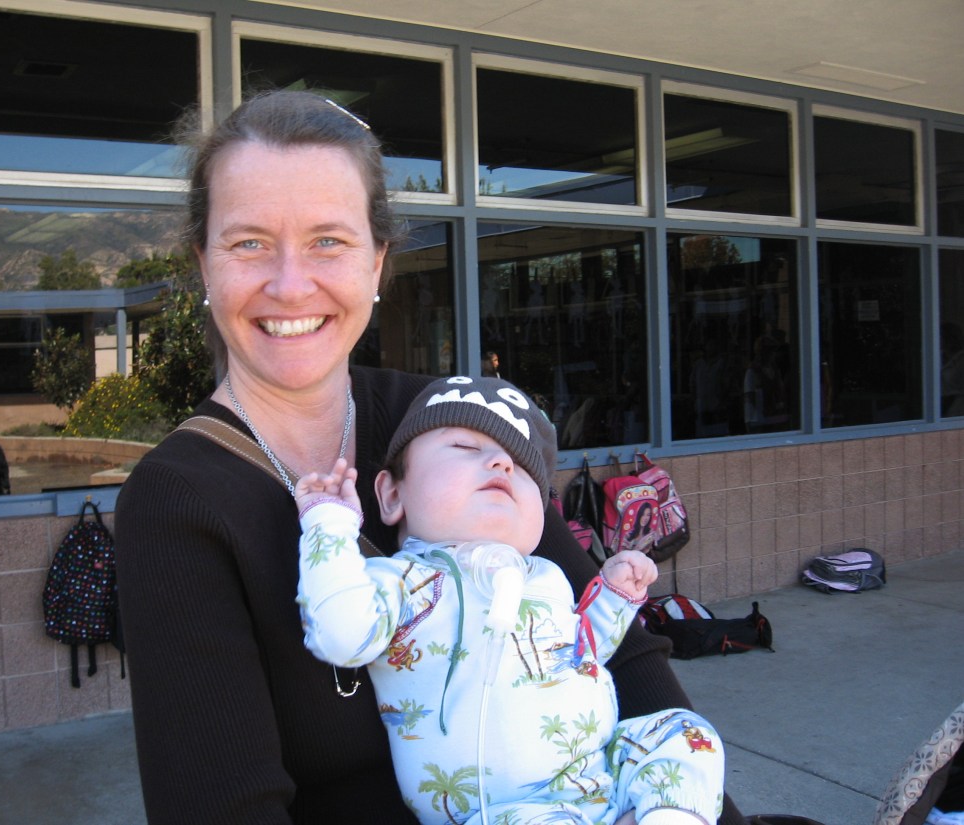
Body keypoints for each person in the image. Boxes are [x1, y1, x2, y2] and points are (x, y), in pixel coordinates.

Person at [114, 89, 749, 824]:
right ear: (203, 263)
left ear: (377, 263)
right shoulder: (178, 502)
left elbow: (624, 666)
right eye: (249, 241)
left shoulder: (451, 421)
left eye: (329, 240)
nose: (291, 283)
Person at [295, 375, 725, 825]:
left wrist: (614, 601)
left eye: (522, 467)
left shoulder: (545, 577)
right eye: (464, 447)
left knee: (686, 734)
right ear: (392, 494)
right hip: (501, 811)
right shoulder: (401, 583)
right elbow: (339, 633)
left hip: (600, 776)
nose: (501, 462)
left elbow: (578, 655)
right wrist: (329, 525)